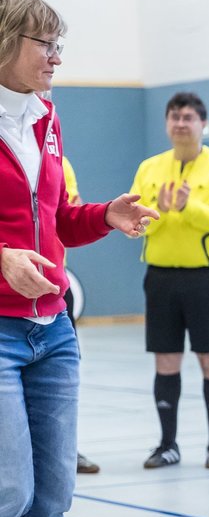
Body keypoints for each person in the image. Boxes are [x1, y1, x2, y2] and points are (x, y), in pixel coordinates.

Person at [0, 0, 156, 517]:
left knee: (51, 500)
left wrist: (105, 215)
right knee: (9, 491)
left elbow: (58, 216)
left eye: (59, 44)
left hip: (51, 331)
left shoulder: (46, 119)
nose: (55, 57)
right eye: (43, 43)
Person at [130, 92, 209, 470]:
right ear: (166, 123)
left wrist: (187, 208)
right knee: (166, 360)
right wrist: (156, 212)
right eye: (174, 116)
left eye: (189, 117)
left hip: (206, 278)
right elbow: (134, 220)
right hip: (161, 277)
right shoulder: (149, 168)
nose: (181, 123)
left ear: (202, 124)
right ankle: (167, 444)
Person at [60, 155, 99, 475]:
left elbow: (65, 215)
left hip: (55, 285)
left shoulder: (59, 158)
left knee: (62, 375)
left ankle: (62, 448)